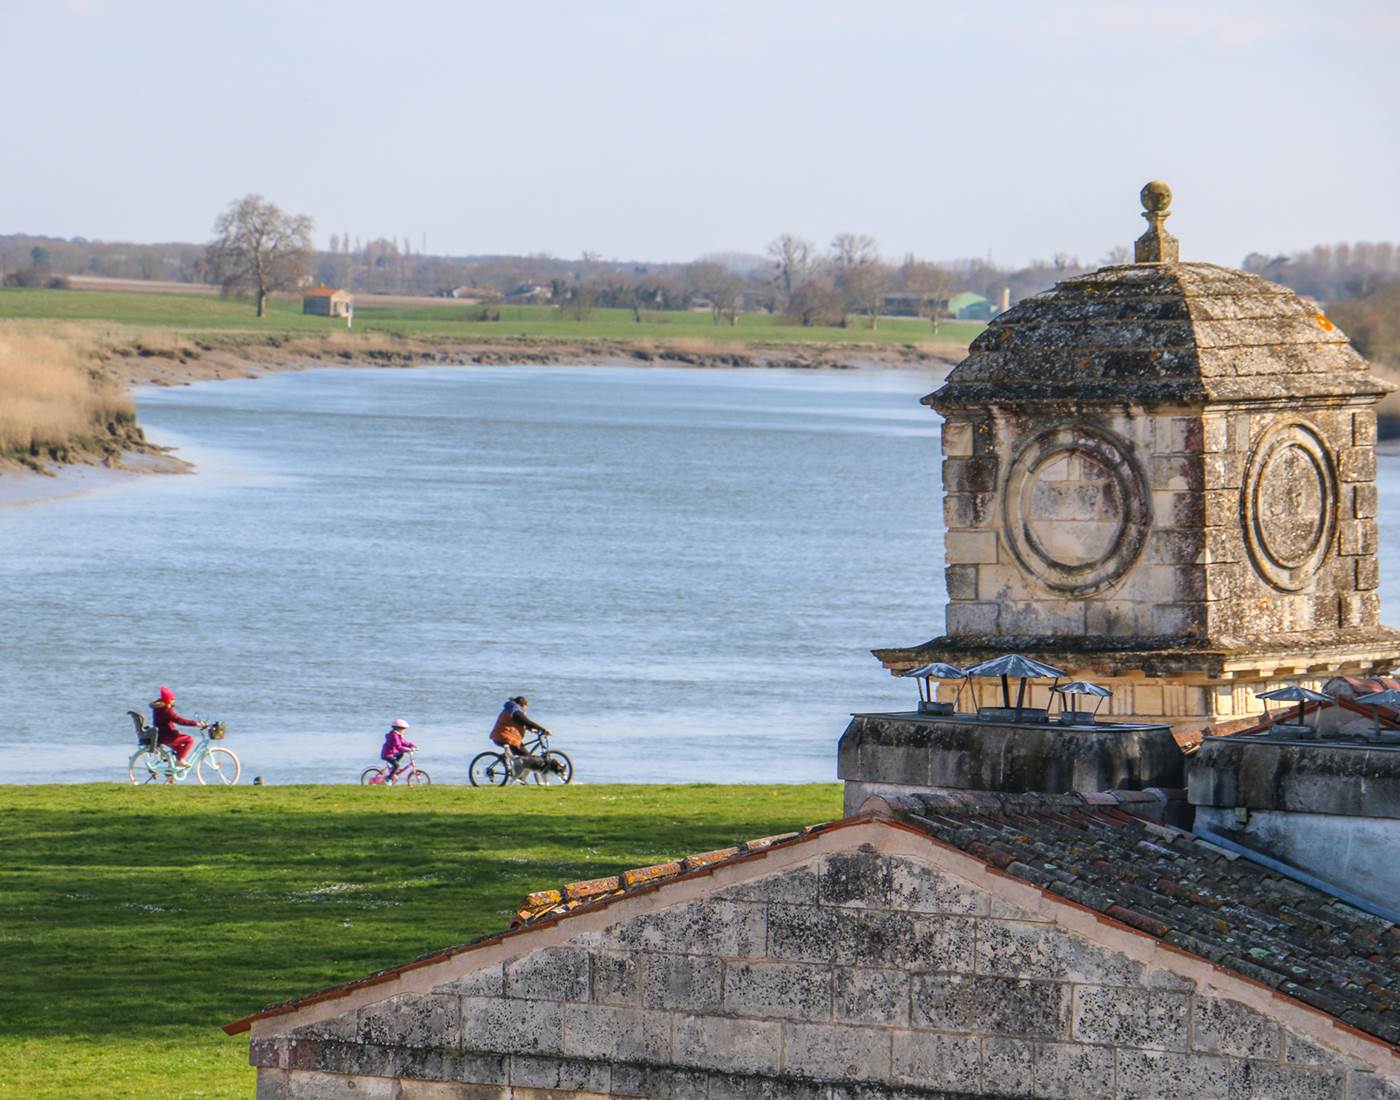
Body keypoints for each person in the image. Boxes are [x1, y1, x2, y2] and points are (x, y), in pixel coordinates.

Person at [487, 695, 558, 774]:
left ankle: (513, 769)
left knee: (522, 756)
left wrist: (531, 729)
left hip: (503, 737)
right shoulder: (515, 711)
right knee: (527, 758)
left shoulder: (512, 709)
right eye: (526, 707)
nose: (526, 709)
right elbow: (526, 721)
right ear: (522, 705)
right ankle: (518, 776)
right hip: (505, 738)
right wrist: (543, 729)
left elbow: (519, 723)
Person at [150, 685, 205, 767]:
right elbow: (180, 720)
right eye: (172, 699)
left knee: (179, 748)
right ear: (168, 700)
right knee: (189, 740)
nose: (174, 701)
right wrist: (195, 723)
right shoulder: (167, 711)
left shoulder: (159, 708)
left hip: (161, 735)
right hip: (167, 736)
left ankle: (172, 770)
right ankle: (180, 761)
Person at [380, 719, 416, 783]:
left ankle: (394, 768)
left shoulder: (398, 735)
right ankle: (388, 778)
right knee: (397, 765)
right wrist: (407, 749)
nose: (405, 731)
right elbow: (398, 746)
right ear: (399, 729)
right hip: (387, 754)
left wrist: (412, 746)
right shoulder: (394, 735)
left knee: (401, 754)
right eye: (404, 729)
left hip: (392, 753)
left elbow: (404, 742)